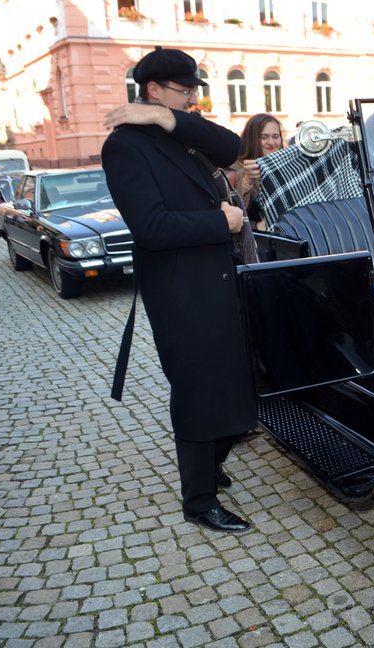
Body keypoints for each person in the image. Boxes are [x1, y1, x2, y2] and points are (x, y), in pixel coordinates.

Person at [101, 46, 256, 534]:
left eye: (193, 90)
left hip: (218, 279)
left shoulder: (176, 134)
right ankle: (199, 499)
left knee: (235, 385)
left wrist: (169, 119)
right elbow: (151, 227)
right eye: (184, 90)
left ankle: (211, 465)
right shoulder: (124, 147)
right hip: (179, 292)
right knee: (197, 390)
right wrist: (222, 220)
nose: (193, 99)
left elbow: (232, 146)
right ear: (154, 89)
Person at [230, 113, 284, 231]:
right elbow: (232, 212)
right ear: (252, 139)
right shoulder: (234, 169)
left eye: (275, 136)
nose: (271, 142)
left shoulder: (285, 169)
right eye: (264, 137)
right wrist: (246, 181)